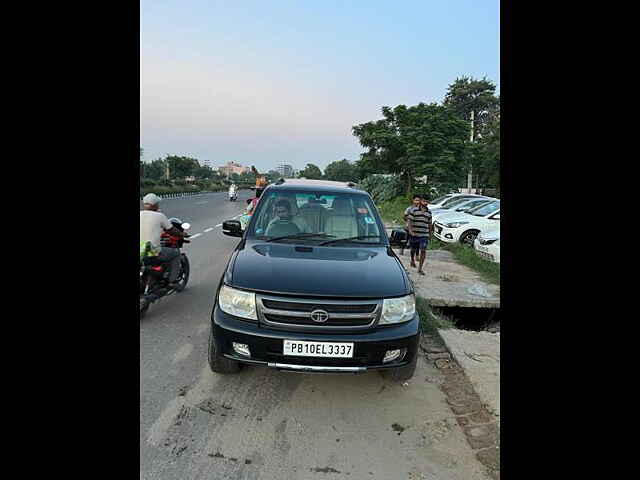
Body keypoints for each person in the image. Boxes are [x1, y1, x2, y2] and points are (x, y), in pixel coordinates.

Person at [140, 193, 184, 287]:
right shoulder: (160, 216)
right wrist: (182, 234)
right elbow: (171, 230)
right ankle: (172, 281)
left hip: (141, 251)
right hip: (152, 251)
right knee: (175, 254)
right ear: (155, 205)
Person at [407, 195, 433, 275]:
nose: (425, 203)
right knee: (413, 249)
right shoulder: (413, 210)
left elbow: (429, 224)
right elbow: (409, 221)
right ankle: (412, 260)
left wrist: (430, 234)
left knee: (423, 250)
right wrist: (410, 231)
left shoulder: (429, 213)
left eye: (426, 202)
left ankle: (420, 268)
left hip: (424, 235)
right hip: (414, 233)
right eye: (423, 201)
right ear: (421, 201)